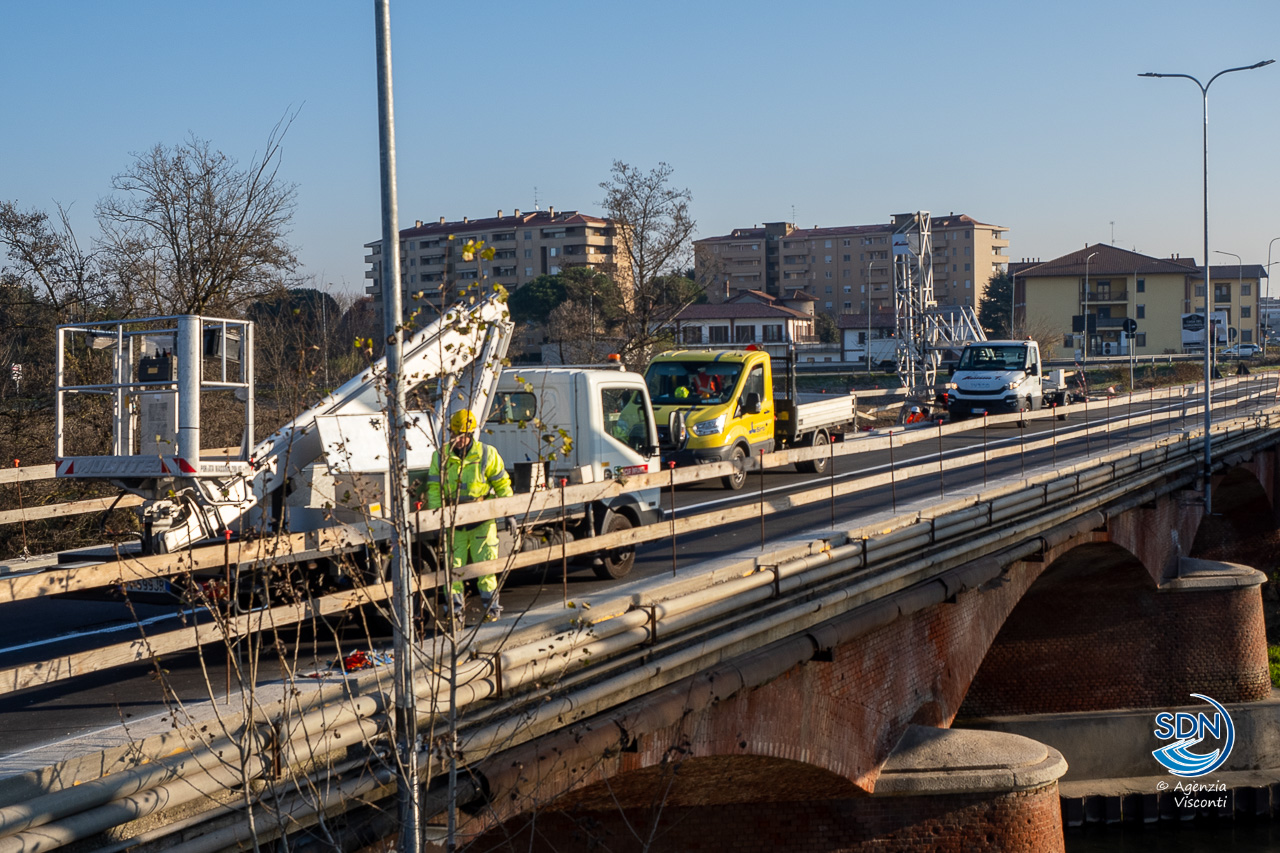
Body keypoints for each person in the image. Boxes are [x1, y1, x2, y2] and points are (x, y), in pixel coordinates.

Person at [426, 409, 513, 625]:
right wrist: (438, 520)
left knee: (486, 568)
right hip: (454, 523)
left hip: (482, 520)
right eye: (454, 434)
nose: (458, 439)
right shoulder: (441, 456)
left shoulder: (486, 454)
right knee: (453, 571)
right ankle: (456, 614)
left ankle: (492, 612)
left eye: (462, 435)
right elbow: (435, 490)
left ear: (471, 434)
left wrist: (509, 512)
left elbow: (502, 484)